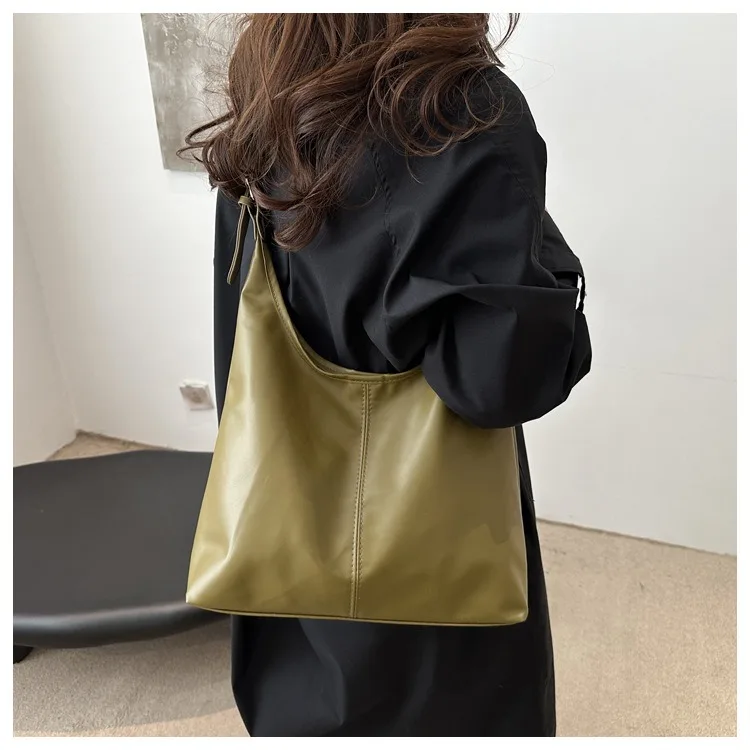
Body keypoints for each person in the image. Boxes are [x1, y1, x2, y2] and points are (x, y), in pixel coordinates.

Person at [183, 13, 591, 737]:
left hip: (283, 493)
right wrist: (548, 261)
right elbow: (497, 383)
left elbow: (244, 304)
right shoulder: (465, 105)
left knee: (311, 703)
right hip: (438, 549)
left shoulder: (269, 74)